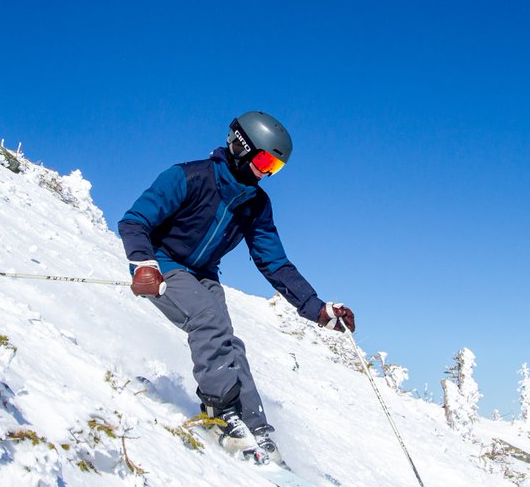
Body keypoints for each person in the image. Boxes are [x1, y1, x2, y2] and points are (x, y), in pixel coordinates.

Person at [118, 111, 355, 465]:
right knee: (207, 319)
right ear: (240, 146)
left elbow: (274, 262)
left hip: (203, 273)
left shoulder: (256, 205)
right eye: (263, 160)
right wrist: (143, 262)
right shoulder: (188, 177)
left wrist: (317, 309)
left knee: (228, 340)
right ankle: (218, 412)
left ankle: (255, 428)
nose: (265, 172)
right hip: (161, 262)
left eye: (274, 167)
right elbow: (135, 221)